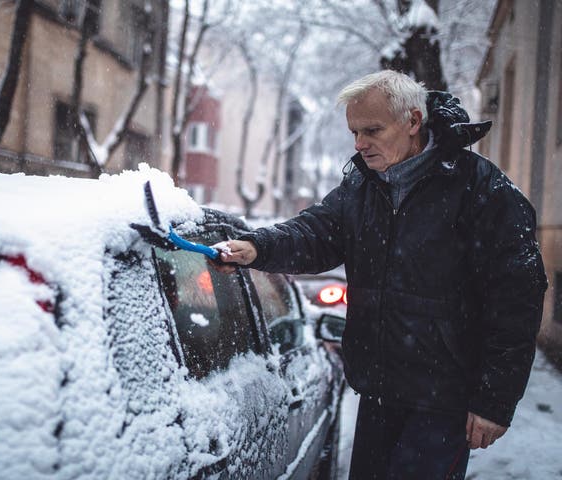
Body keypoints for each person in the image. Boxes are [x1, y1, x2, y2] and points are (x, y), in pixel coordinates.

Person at [214, 70, 547, 479]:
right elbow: (315, 232)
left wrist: (494, 400)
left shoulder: (481, 189)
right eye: (354, 132)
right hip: (378, 393)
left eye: (371, 130)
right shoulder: (362, 187)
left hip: (444, 401)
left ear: (412, 122)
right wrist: (257, 247)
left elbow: (518, 299)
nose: (359, 144)